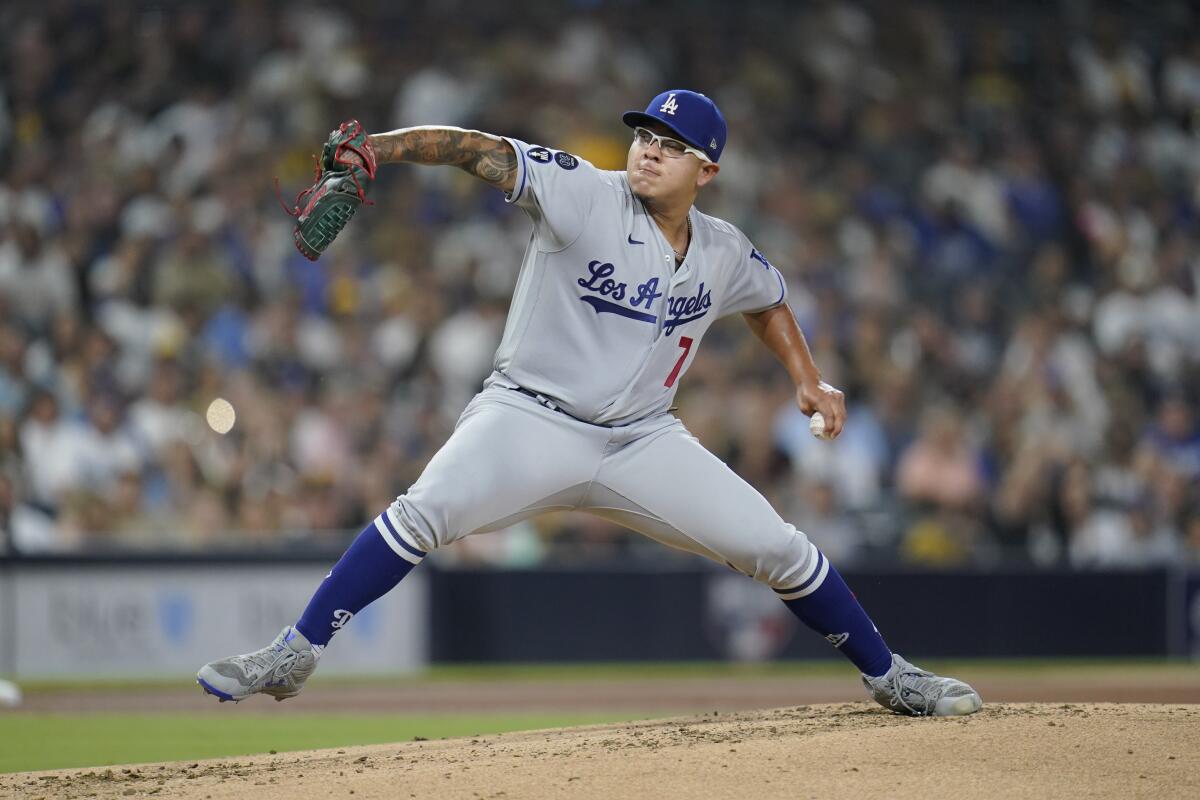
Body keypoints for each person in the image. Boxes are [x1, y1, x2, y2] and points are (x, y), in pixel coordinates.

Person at [197, 90, 982, 716]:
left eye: (673, 146)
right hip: (529, 417)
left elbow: (768, 301)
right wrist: (385, 150)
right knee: (422, 510)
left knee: (777, 546)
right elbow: (481, 150)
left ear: (707, 170)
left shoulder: (721, 248)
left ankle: (890, 677)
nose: (650, 149)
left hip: (643, 441)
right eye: (646, 135)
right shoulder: (583, 192)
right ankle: (294, 652)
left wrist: (805, 378)